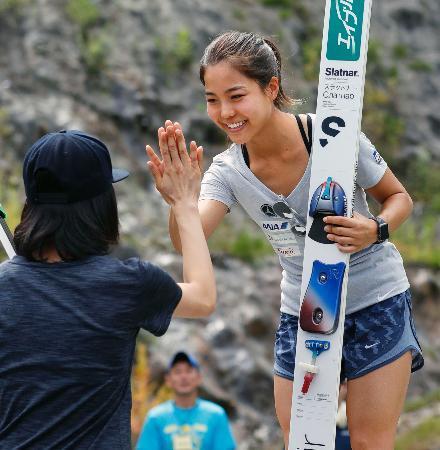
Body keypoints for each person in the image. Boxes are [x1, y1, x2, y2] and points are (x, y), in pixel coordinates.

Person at [146, 31, 424, 449]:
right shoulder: (227, 170)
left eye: (236, 95)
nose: (225, 112)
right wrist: (181, 201)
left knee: (368, 442)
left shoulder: (334, 136)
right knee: (303, 441)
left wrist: (375, 229)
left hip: (375, 297)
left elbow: (398, 198)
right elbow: (189, 241)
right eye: (212, 99)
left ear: (271, 87)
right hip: (306, 309)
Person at [0, 129, 215, 448]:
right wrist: (184, 203)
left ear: (31, 204)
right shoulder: (129, 284)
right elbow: (203, 297)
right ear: (102, 205)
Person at [136, 351, 236, 450]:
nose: (184, 377)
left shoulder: (216, 415)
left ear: (199, 377)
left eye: (189, 371)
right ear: (168, 380)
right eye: (177, 372)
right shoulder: (155, 417)